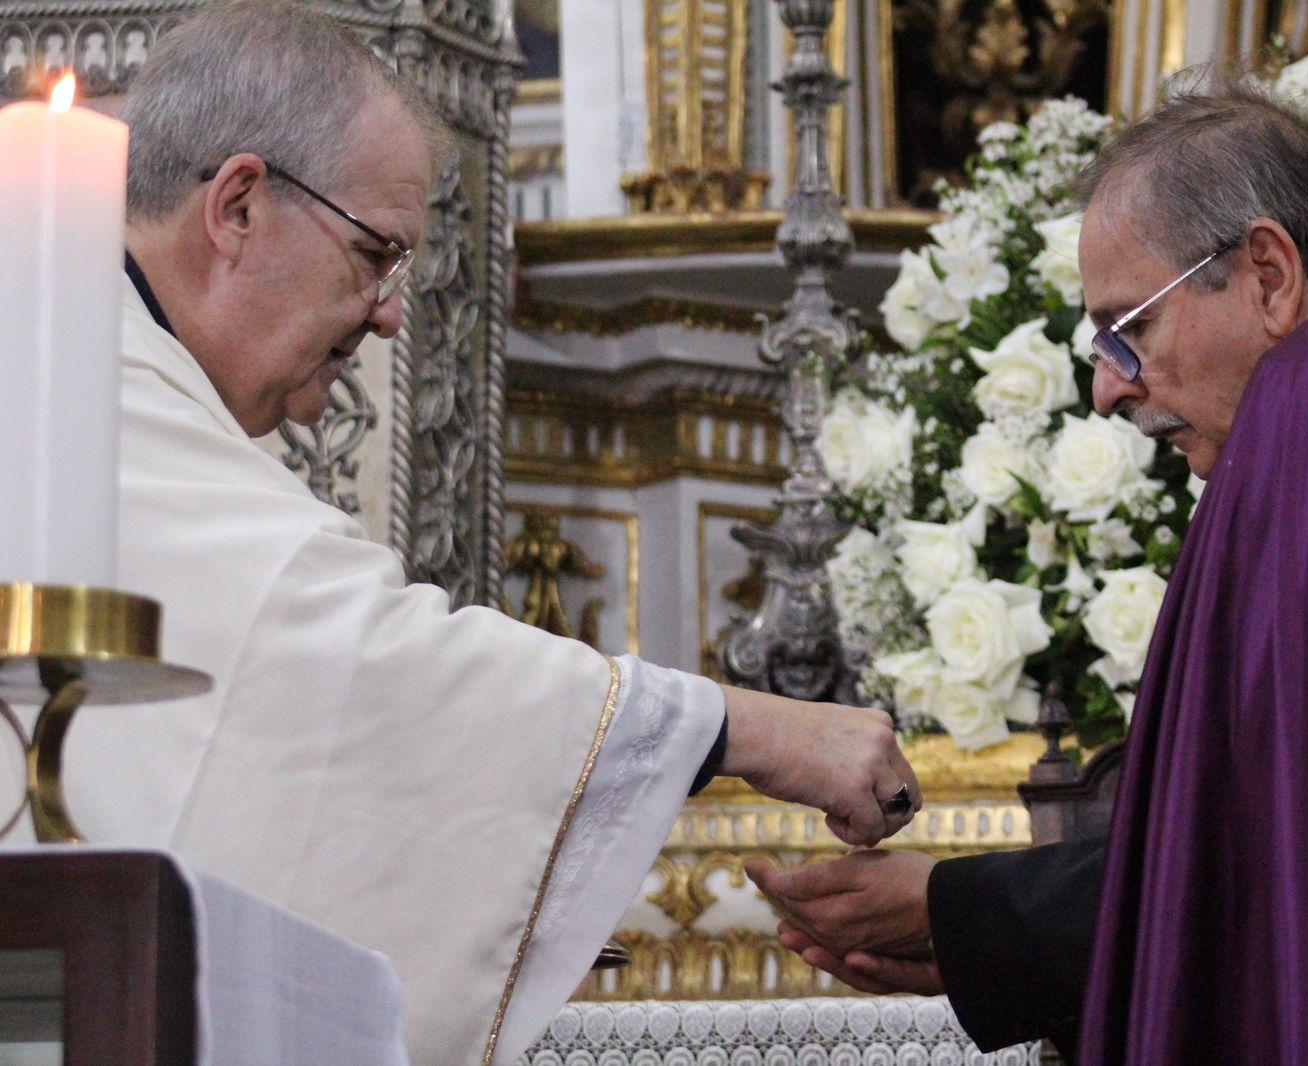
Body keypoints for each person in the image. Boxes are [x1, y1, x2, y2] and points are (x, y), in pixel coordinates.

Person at [9, 4, 923, 1064]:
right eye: (372, 254)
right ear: (240, 206)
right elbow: (360, 661)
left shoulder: (102, 349)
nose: (391, 314)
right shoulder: (65, 363)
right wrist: (758, 731)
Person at [764, 13, 1308, 1062]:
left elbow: (1274, 858)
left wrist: (975, 914)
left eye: (1130, 328)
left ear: (1266, 274)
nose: (1107, 386)